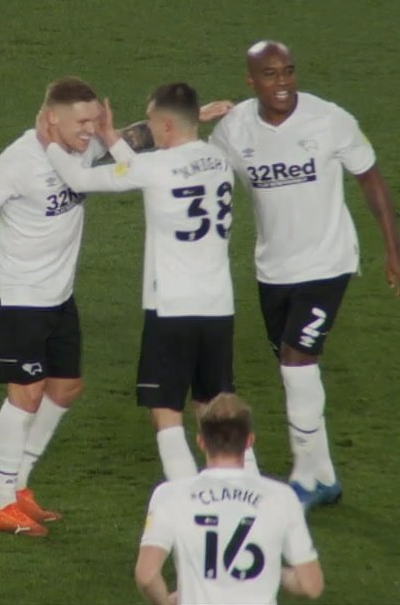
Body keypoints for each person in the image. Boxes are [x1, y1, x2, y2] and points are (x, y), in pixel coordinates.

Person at [207, 40, 400, 509]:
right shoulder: (235, 129)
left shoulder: (329, 119)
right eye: (271, 75)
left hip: (327, 262)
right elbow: (202, 171)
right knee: (295, 368)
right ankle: (325, 475)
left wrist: (394, 250)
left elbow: (371, 179)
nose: (283, 83)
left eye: (289, 72)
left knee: (297, 362)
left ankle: (303, 478)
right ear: (251, 82)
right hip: (273, 269)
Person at [0, 76, 135, 537]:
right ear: (52, 119)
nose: (90, 129)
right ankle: (1, 499)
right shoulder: (19, 160)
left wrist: (192, 116)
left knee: (66, 388)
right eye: (81, 121)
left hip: (57, 294)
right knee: (26, 394)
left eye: (95, 119)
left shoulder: (84, 148)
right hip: (15, 295)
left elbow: (136, 139)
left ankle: (21, 485)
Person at [43, 83, 257, 482]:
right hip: (218, 306)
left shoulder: (156, 167)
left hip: (172, 308)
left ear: (166, 127)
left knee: (165, 409)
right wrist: (112, 139)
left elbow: (79, 179)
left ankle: (184, 495)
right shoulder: (218, 159)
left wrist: (50, 142)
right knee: (215, 403)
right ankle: (246, 488)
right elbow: (152, 169)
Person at [135, 393, 324, 605]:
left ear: (201, 442)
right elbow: (311, 584)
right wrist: (274, 569)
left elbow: (146, 575)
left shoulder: (170, 495)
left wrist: (167, 604)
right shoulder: (281, 497)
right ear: (249, 441)